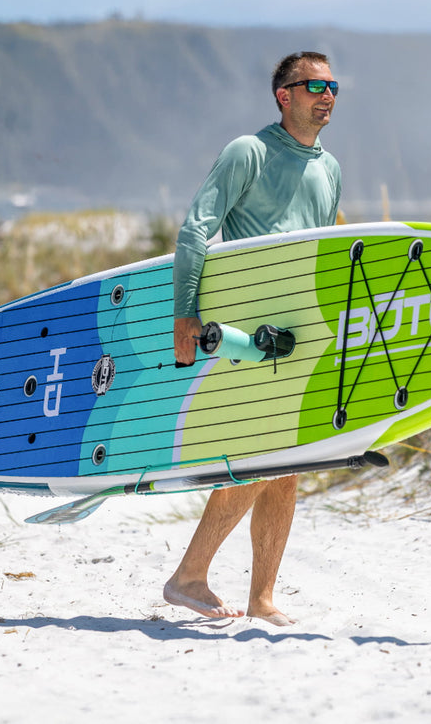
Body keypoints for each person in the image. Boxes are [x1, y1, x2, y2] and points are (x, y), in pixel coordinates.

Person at [161, 51, 342, 627]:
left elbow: (324, 253)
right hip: (247, 334)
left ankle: (262, 597)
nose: (327, 94)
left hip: (301, 339)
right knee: (264, 460)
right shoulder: (250, 152)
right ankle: (189, 575)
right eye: (314, 84)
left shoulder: (330, 168)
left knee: (287, 468)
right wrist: (185, 313)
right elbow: (196, 228)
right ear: (283, 95)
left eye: (333, 85)